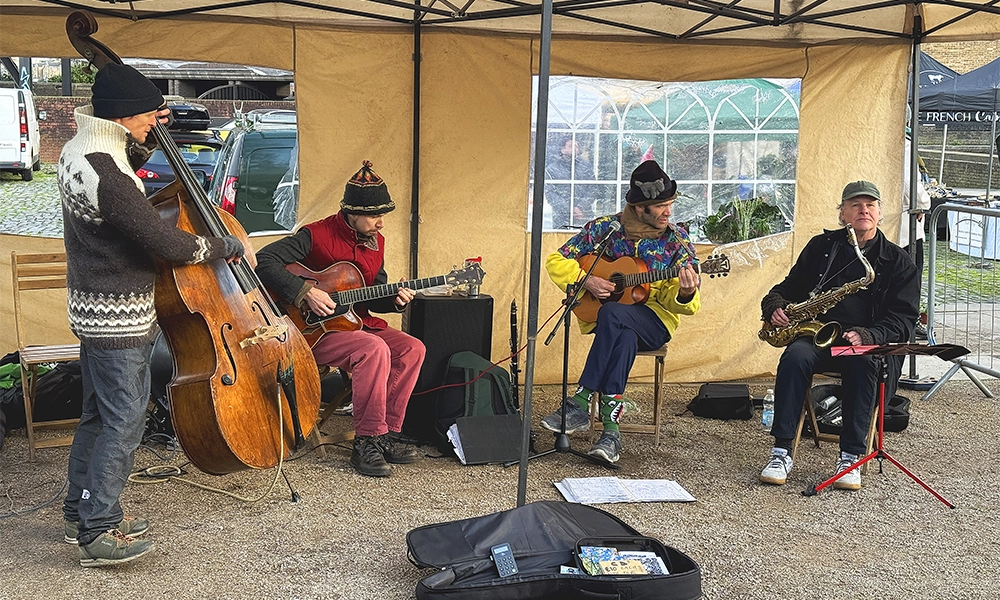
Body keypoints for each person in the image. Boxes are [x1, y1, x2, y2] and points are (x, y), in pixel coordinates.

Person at [59, 63, 245, 566]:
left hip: (93, 309)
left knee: (97, 415)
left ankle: (80, 512)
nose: (152, 125)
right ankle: (99, 530)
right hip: (119, 316)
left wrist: (144, 132)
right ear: (124, 116)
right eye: (147, 117)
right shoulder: (108, 173)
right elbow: (163, 241)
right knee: (125, 420)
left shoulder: (79, 152)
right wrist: (223, 244)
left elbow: (124, 164)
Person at [255, 161, 426, 478]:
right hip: (311, 331)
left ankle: (384, 433)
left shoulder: (377, 243)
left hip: (355, 323)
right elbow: (263, 260)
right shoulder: (315, 235)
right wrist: (304, 291)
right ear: (354, 212)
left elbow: (374, 290)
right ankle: (366, 443)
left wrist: (394, 298)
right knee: (372, 349)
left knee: (412, 348)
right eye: (376, 216)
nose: (381, 223)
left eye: (383, 215)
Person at [758, 180, 919, 490]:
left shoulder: (899, 262)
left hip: (861, 345)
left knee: (863, 365)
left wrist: (867, 334)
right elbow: (787, 289)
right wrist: (776, 307)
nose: (864, 210)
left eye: (870, 205)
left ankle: (851, 456)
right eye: (856, 205)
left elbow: (903, 321)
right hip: (817, 336)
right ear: (843, 213)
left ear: (880, 213)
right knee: (794, 357)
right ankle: (781, 452)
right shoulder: (822, 247)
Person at [539, 159, 701, 463]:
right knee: (622, 333)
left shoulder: (676, 240)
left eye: (670, 204)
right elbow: (556, 260)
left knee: (612, 314)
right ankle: (611, 435)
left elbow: (687, 305)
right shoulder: (605, 229)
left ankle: (581, 400)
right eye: (661, 206)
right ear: (640, 208)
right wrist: (587, 279)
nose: (668, 211)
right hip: (619, 325)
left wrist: (685, 292)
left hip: (655, 322)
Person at [900, 134, 932, 339]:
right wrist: (923, 203)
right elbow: (909, 182)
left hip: (894, 223)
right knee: (909, 279)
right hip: (904, 227)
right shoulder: (903, 143)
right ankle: (907, 323)